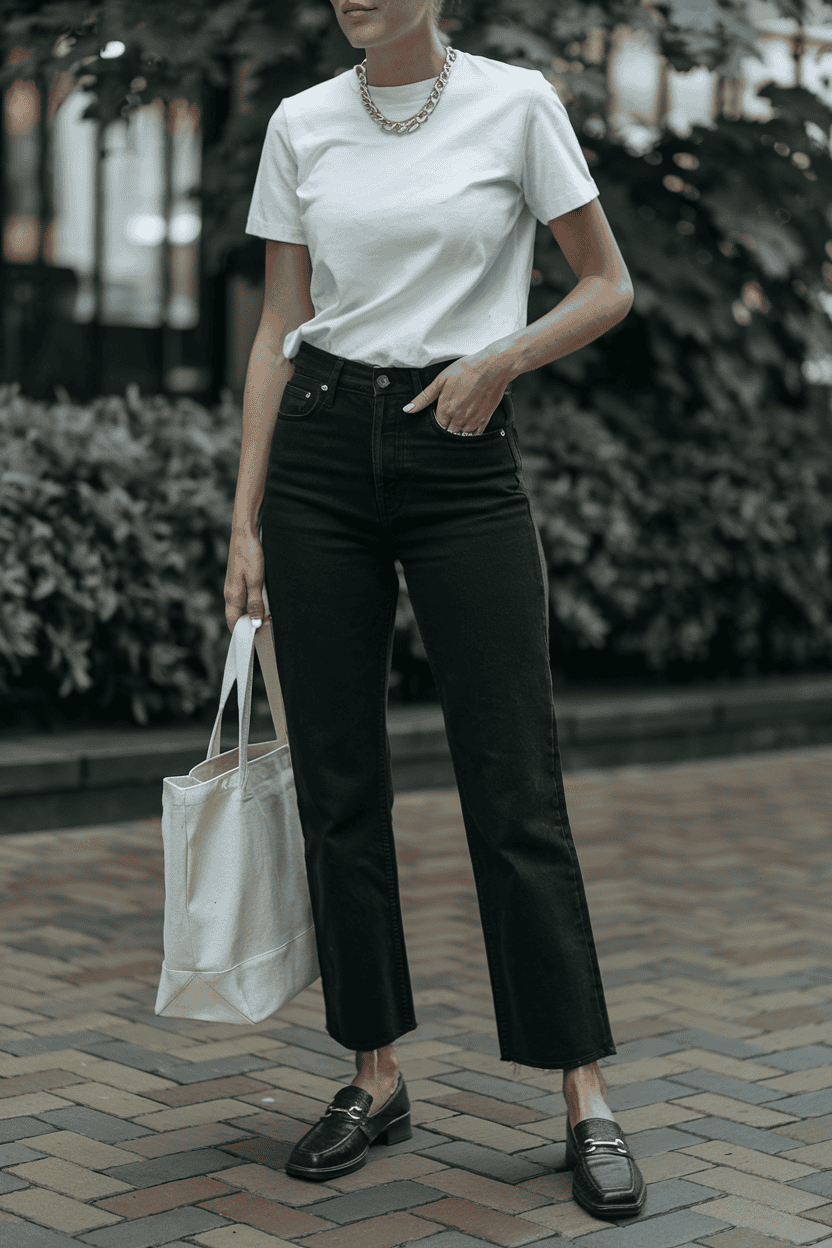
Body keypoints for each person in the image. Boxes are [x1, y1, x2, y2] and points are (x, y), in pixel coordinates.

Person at [225, 0, 645, 1222]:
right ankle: (371, 1072)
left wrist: (500, 358)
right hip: (315, 455)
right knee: (338, 786)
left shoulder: (517, 104)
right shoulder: (301, 122)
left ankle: (584, 1094)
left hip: (463, 456)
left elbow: (605, 285)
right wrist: (243, 518)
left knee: (515, 784)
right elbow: (273, 330)